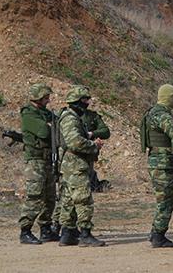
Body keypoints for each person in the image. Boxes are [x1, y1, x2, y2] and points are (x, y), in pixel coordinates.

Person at [57, 85, 109, 247]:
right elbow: (75, 142)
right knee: (83, 199)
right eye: (85, 99)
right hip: (75, 165)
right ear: (77, 101)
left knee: (69, 200)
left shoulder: (72, 117)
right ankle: (85, 234)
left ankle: (68, 233)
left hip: (72, 165)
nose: (88, 103)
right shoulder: (70, 118)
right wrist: (94, 146)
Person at [141, 84, 173, 248]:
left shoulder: (154, 112)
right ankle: (158, 235)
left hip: (160, 162)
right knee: (166, 200)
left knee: (166, 199)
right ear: (168, 97)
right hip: (162, 163)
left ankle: (156, 233)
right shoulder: (161, 115)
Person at [17, 83, 58, 244]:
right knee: (35, 195)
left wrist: (52, 125)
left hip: (48, 159)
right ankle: (25, 230)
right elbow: (44, 132)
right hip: (35, 161)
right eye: (45, 97)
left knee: (50, 197)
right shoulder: (28, 113)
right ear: (37, 98)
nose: (48, 100)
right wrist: (50, 126)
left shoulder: (45, 113)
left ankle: (46, 229)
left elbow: (58, 127)